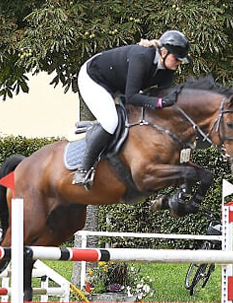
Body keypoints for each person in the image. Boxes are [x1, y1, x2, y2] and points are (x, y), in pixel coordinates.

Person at [73, 30, 190, 188]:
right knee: (111, 122)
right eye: (176, 59)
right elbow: (132, 97)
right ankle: (83, 169)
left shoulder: (167, 69)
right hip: (94, 79)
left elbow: (165, 95)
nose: (178, 63)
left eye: (181, 61)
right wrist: (160, 103)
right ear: (163, 52)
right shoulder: (141, 58)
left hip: (116, 85)